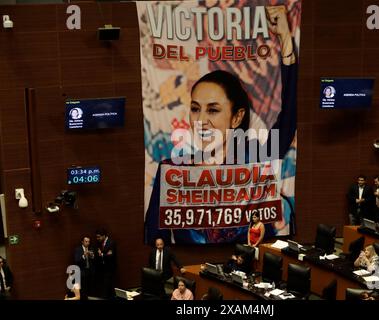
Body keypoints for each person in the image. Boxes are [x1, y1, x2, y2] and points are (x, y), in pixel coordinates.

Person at [144, 5, 298, 245]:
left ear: (236, 118)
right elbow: (155, 239)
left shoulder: (257, 158)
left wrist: (287, 42)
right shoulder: (173, 171)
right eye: (196, 108)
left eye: (213, 110)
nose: (201, 120)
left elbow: (290, 114)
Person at [94, 228, 117, 299]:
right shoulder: (99, 243)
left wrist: (102, 255)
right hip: (102, 269)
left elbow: (111, 255)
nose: (97, 238)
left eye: (99, 237)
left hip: (110, 269)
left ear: (104, 236)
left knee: (109, 288)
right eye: (97, 237)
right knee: (104, 288)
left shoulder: (111, 242)